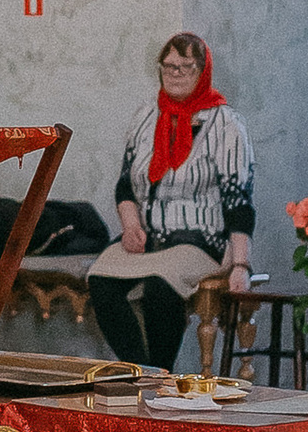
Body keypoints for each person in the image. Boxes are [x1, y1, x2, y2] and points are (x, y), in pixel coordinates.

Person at [86, 34, 255, 371]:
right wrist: (131, 226)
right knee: (100, 279)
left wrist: (241, 265)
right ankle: (140, 370)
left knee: (159, 288)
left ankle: (158, 370)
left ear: (202, 71)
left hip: (201, 240)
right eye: (169, 66)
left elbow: (239, 201)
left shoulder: (226, 124)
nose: (175, 73)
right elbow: (125, 187)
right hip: (150, 237)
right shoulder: (146, 116)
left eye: (185, 67)